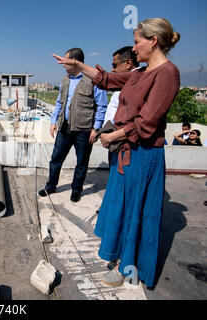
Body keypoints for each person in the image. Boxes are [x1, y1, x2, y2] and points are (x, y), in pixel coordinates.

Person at [53, 17, 181, 288]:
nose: (134, 50)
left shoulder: (167, 73)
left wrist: (112, 135)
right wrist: (77, 65)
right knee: (123, 208)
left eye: (137, 42)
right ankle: (123, 255)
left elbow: (147, 122)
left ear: (153, 41)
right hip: (128, 152)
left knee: (137, 211)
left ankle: (130, 266)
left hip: (143, 154)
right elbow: (106, 79)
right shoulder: (141, 73)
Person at [38, 47, 108, 202]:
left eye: (65, 61)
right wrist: (53, 121)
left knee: (81, 162)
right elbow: (59, 102)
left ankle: (76, 190)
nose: (63, 64)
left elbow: (102, 106)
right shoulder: (65, 80)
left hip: (84, 130)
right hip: (65, 127)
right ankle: (51, 186)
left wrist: (96, 128)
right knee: (56, 159)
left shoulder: (93, 80)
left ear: (74, 62)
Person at [103, 46, 140, 126]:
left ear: (128, 63)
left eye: (115, 65)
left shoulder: (139, 82)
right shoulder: (125, 82)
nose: (112, 69)